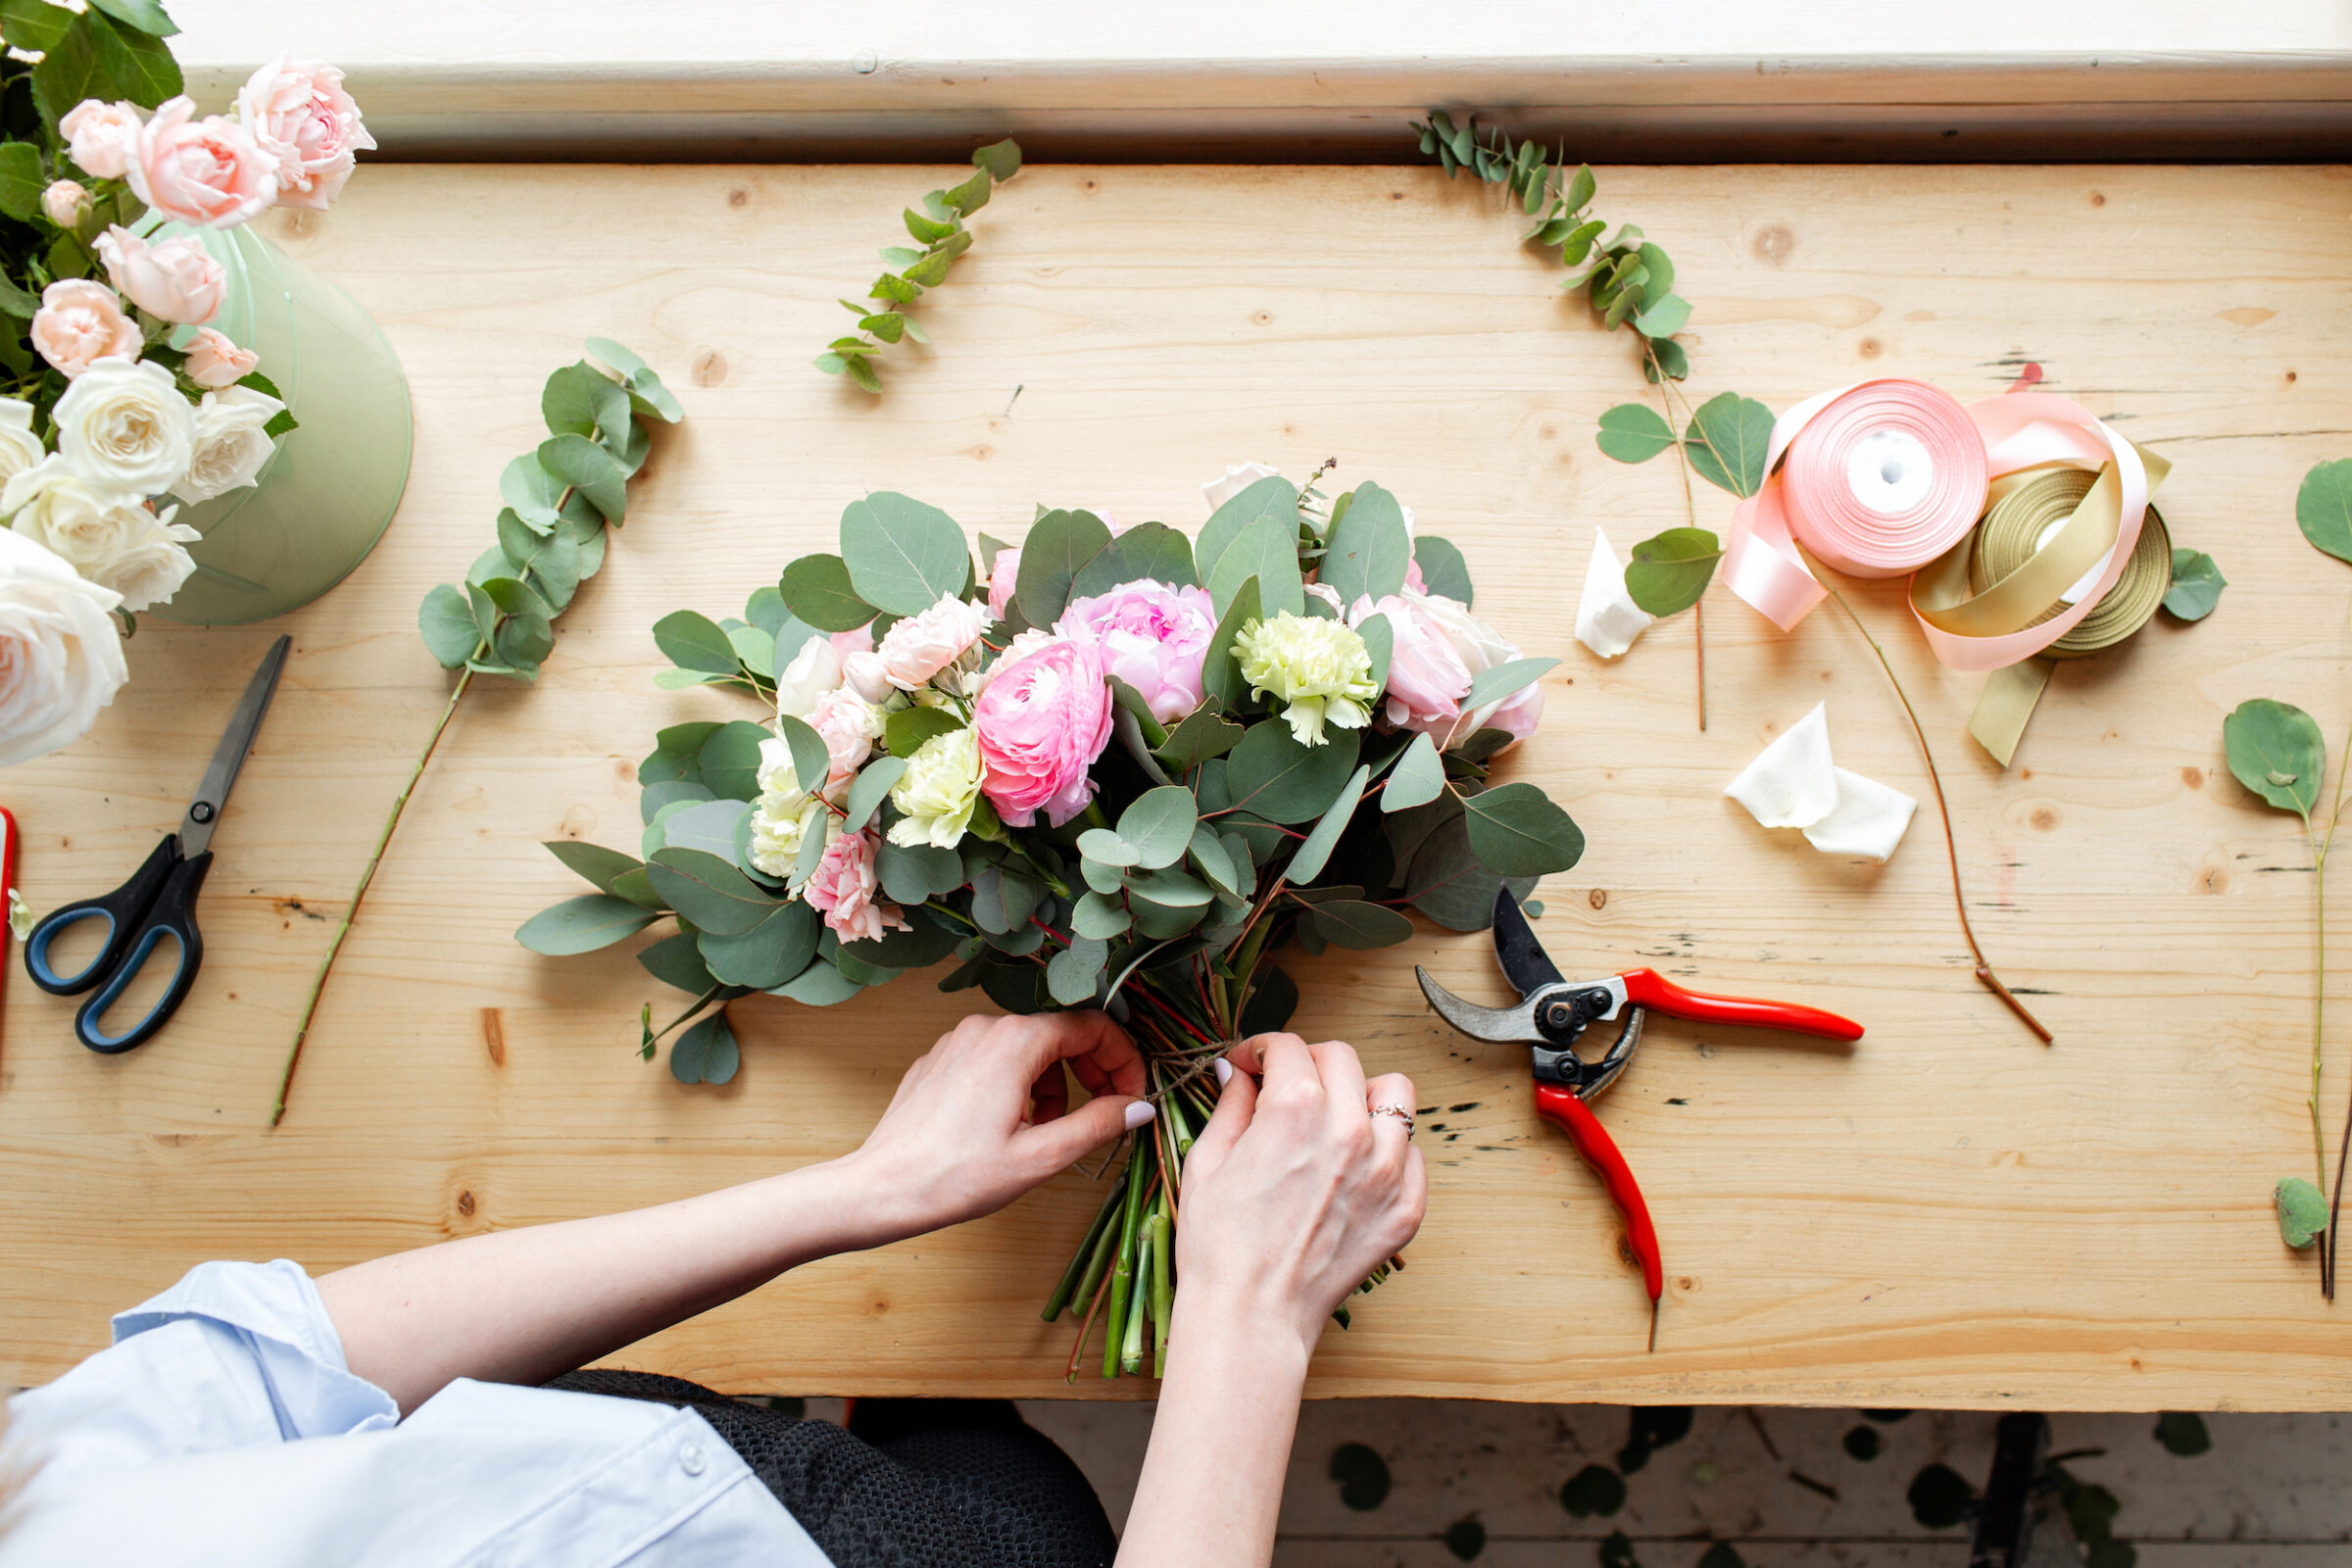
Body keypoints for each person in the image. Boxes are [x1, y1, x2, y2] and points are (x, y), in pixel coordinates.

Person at [0, 1011, 1427, 1566]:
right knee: (1021, 1510)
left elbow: (268, 1373)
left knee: (940, 1446)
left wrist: (866, 1193)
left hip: (616, 1447)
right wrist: (1248, 1311)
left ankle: (884, 1415)